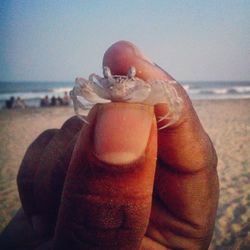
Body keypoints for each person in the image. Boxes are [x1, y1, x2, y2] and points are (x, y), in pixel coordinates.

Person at [0, 41, 219, 249]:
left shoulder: (142, 88)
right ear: (104, 76)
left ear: (135, 78)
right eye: (108, 78)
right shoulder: (101, 84)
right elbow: (78, 89)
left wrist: (169, 114)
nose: (118, 86)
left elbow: (168, 92)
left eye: (128, 78)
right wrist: (81, 105)